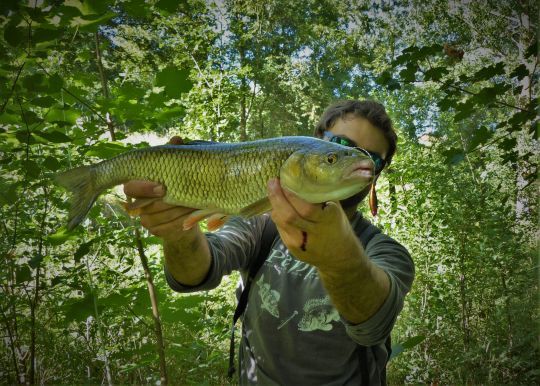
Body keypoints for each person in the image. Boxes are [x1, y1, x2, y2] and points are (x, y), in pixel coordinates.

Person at [124, 100, 415, 385]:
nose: (357, 159)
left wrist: (338, 257)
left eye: (372, 158)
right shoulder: (261, 222)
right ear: (312, 144)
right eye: (340, 145)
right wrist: (178, 231)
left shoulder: (386, 252)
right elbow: (196, 274)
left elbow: (374, 326)